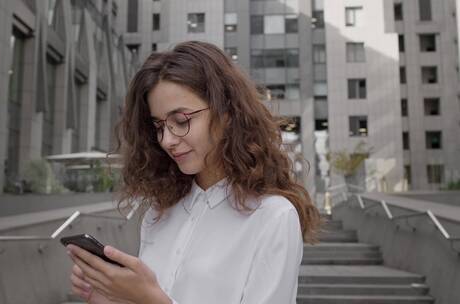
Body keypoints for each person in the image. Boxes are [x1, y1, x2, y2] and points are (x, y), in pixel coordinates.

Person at [65, 40, 322, 304]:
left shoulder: (274, 216)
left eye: (181, 121)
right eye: (159, 126)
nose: (167, 140)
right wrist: (111, 297)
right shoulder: (159, 213)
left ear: (227, 113)